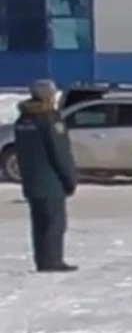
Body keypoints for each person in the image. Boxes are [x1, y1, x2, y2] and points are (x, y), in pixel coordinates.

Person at [13, 79, 78, 272]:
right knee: (54, 223)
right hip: (51, 182)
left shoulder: (22, 120)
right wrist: (70, 178)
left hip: (31, 181)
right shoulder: (50, 120)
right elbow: (59, 152)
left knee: (39, 225)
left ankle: (42, 260)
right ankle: (52, 261)